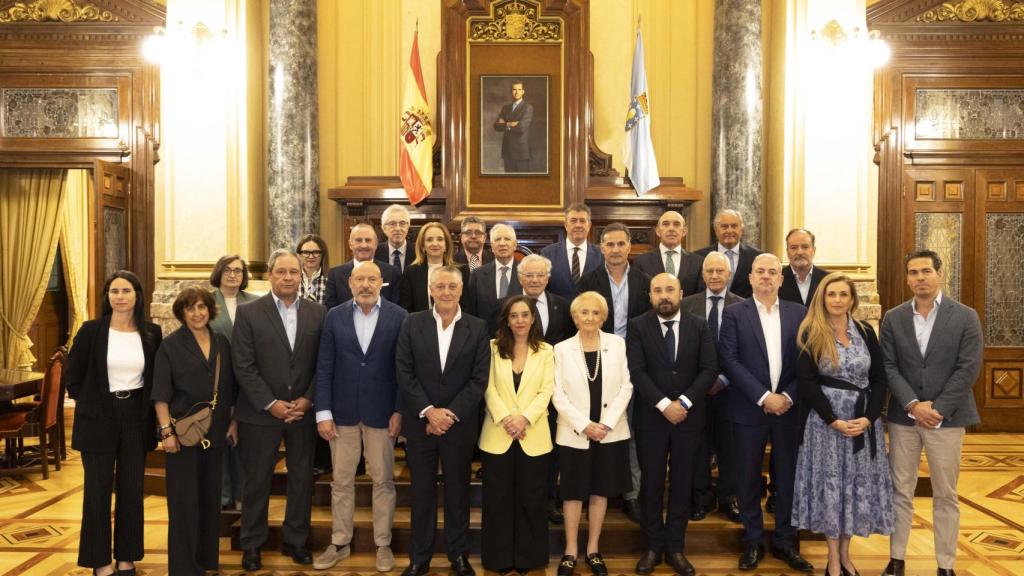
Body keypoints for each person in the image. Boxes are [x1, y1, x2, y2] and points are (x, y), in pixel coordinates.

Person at [880, 250, 982, 576]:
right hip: (904, 418)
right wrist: (913, 405)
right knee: (900, 490)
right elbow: (889, 367)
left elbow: (968, 368)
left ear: (939, 273)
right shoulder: (893, 318)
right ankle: (896, 560)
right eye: (913, 272)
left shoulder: (966, 316)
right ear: (907, 278)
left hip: (947, 419)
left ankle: (945, 566)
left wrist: (937, 409)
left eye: (926, 271)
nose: (920, 278)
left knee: (946, 494)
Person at [232, 249, 327, 571]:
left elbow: (323, 364)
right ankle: (252, 544)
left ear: (302, 276)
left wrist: (308, 399)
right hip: (260, 414)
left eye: (294, 272)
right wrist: (270, 403)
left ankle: (296, 541)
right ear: (269, 275)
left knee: (302, 479)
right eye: (281, 272)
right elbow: (242, 366)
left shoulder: (319, 313)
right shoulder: (248, 313)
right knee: (256, 481)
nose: (288, 278)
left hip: (303, 411)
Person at [718, 253, 814, 573]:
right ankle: (753, 541)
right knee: (747, 478)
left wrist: (786, 395)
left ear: (781, 279)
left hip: (789, 409)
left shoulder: (799, 313)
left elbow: (806, 362)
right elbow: (729, 360)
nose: (766, 277)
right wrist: (763, 397)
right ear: (750, 277)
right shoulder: (734, 314)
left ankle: (786, 542)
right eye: (760, 271)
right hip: (749, 408)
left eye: (773, 272)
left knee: (787, 477)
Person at [794, 273, 893, 576]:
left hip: (862, 424)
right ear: (822, 299)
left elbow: (879, 379)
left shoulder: (865, 331)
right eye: (831, 294)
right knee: (831, 489)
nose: (837, 300)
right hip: (826, 426)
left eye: (843, 294)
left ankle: (847, 556)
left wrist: (869, 417)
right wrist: (833, 419)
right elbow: (806, 383)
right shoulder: (811, 331)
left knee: (852, 488)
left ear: (852, 299)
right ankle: (833, 559)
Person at [66, 270, 163, 576]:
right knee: (97, 491)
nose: (120, 296)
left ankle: (127, 558)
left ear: (137, 295)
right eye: (114, 291)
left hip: (136, 416)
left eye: (126, 291)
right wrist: (92, 402)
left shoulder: (151, 332)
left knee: (132, 489)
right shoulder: (91, 330)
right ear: (107, 297)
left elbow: (158, 379)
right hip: (98, 418)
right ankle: (100, 562)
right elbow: (73, 375)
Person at [313, 261, 408, 572]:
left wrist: (399, 409)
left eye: (372, 279)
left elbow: (403, 370)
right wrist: (323, 412)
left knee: (383, 481)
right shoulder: (334, 316)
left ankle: (383, 543)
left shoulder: (399, 316)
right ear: (350, 283)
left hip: (382, 413)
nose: (366, 285)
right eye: (360, 279)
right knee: (341, 481)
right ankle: (340, 541)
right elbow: (324, 366)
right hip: (341, 414)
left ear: (382, 282)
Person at [396, 266, 490, 576]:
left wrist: (448, 415)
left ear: (461, 290)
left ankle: (458, 555)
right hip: (421, 424)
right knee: (421, 492)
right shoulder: (412, 323)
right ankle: (419, 557)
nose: (446, 291)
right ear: (431, 290)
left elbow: (479, 380)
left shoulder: (477, 328)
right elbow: (404, 372)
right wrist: (428, 411)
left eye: (452, 286)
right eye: (440, 286)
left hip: (458, 425)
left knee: (457, 492)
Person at [627, 273, 718, 576]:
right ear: (649, 296)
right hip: (651, 418)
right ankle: (653, 546)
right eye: (657, 291)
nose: (664, 296)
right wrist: (665, 405)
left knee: (682, 484)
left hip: (689, 418)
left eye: (669, 290)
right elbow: (637, 371)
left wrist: (684, 403)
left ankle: (676, 547)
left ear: (680, 293)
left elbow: (708, 370)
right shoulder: (639, 326)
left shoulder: (699, 325)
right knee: (651, 484)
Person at [153, 286, 236, 576]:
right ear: (182, 312)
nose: (197, 313)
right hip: (182, 437)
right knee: (184, 505)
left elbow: (230, 388)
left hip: (215, 436)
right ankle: (184, 568)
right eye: (191, 308)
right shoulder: (171, 346)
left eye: (202, 307)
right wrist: (166, 433)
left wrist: (233, 422)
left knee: (210, 502)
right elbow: (161, 394)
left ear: (210, 310)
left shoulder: (222, 342)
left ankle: (207, 563)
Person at [551, 291, 633, 576]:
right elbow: (557, 394)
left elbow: (627, 387)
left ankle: (593, 549)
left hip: (610, 432)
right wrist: (584, 424)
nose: (589, 317)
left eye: (595, 313)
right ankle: (570, 550)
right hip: (575, 432)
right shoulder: (560, 349)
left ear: (604, 317)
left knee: (600, 491)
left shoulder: (617, 344)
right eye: (583, 312)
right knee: (572, 493)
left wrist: (606, 423)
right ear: (574, 317)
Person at [576, 221, 650, 522]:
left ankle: (632, 494)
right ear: (601, 248)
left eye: (621, 244)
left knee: (627, 429)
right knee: (591, 427)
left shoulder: (646, 282)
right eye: (609, 244)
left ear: (629, 247)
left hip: (634, 364)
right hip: (596, 364)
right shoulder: (589, 281)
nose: (616, 249)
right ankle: (588, 490)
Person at [479, 296, 555, 574]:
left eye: (525, 315)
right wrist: (507, 419)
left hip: (532, 435)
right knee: (497, 500)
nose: (520, 320)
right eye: (514, 316)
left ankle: (529, 559)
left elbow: (546, 391)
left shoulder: (546, 351)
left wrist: (524, 419)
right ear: (506, 320)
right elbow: (487, 388)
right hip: (497, 434)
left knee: (532, 500)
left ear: (533, 318)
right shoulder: (491, 348)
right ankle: (498, 559)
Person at [504, 253, 574, 524]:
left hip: (554, 388)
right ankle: (515, 500)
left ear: (548, 278)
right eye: (528, 275)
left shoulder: (562, 305)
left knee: (549, 448)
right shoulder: (508, 305)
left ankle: (547, 500)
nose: (534, 280)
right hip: (515, 389)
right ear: (520, 278)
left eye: (540, 275)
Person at [680, 252, 743, 523]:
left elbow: (745, 351)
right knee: (698, 445)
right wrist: (701, 383)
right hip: (696, 390)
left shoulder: (743, 306)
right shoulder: (686, 305)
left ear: (728, 275)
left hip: (732, 390)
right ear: (703, 275)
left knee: (730, 446)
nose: (715, 276)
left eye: (720, 271)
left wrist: (724, 379)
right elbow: (680, 349)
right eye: (710, 271)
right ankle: (701, 498)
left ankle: (729, 498)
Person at [208, 254, 258, 512]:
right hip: (217, 379)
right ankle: (223, 495)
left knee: (244, 441)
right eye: (227, 270)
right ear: (219, 272)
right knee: (221, 438)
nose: (233, 275)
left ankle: (241, 494)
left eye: (238, 270)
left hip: (249, 381)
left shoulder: (255, 302)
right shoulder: (206, 302)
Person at [464, 223, 522, 335]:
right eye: (497, 239)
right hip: (486, 340)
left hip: (518, 339)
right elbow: (471, 314)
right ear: (491, 246)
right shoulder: (477, 275)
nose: (502, 243)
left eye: (507, 239)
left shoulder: (526, 272)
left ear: (515, 245)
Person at [325, 222, 400, 309]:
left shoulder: (391, 272)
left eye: (368, 240)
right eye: (358, 240)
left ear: (376, 244)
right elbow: (331, 310)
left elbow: (396, 309)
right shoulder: (335, 274)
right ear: (350, 244)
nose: (364, 245)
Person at [398, 221, 469, 313]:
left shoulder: (462, 271)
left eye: (440, 239)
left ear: (446, 245)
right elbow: (407, 309)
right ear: (423, 246)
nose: (435, 244)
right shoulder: (411, 272)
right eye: (429, 240)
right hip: (421, 325)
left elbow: (466, 307)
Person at [633, 211, 704, 296]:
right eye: (666, 224)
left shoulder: (698, 262)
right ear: (658, 231)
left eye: (676, 224)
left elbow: (700, 296)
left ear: (684, 231)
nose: (671, 229)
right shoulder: (641, 262)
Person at [541, 203, 603, 300]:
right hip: (558, 313)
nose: (578, 225)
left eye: (582, 221)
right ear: (566, 225)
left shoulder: (601, 255)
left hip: (589, 313)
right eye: (573, 221)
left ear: (589, 225)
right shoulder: (548, 253)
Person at [695, 209, 763, 298]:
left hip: (744, 310)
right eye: (724, 226)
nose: (729, 231)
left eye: (734, 226)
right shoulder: (699, 257)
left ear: (741, 230)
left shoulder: (757, 257)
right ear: (716, 230)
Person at [780, 228, 828, 307]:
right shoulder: (776, 279)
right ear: (787, 252)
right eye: (794, 247)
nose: (800, 252)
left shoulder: (827, 279)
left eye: (805, 247)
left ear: (813, 250)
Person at [493, 80, 534, 172]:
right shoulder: (505, 108)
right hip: (508, 151)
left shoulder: (528, 108)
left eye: (519, 89)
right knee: (508, 182)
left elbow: (521, 128)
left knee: (523, 183)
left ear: (523, 91)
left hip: (521, 152)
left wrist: (505, 123)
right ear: (511, 92)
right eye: (514, 89)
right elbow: (496, 126)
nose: (516, 92)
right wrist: (510, 124)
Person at [375, 204, 414, 274]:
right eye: (392, 224)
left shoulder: (418, 252)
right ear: (384, 228)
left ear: (408, 227)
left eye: (402, 223)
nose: (398, 228)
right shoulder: (375, 253)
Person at [297, 233, 330, 304]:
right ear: (300, 254)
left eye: (316, 252)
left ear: (323, 254)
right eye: (306, 252)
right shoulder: (293, 278)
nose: (311, 256)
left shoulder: (331, 279)